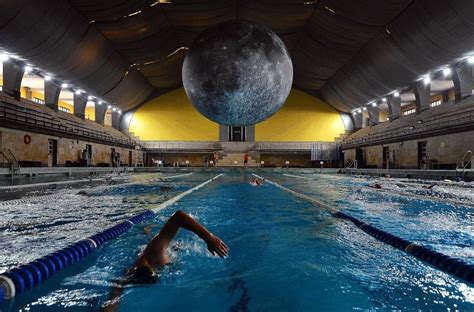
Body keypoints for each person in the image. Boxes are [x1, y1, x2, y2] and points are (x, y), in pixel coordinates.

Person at [101, 210, 228, 311]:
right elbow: (116, 290)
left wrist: (208, 237)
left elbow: (179, 216)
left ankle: (147, 230)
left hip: (152, 250)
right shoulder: (133, 272)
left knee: (151, 239)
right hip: (149, 256)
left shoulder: (155, 254)